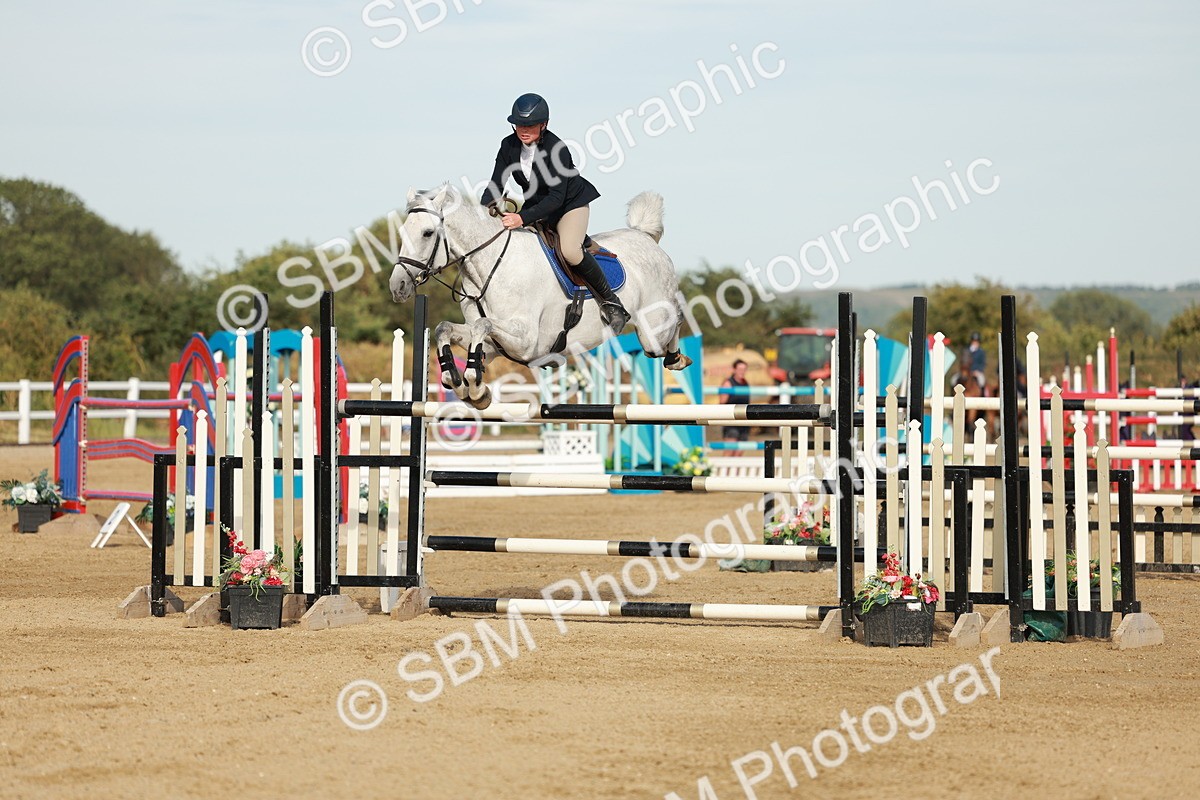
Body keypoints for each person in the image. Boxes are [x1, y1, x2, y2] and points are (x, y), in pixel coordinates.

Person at [479, 93, 630, 334]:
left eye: (529, 125)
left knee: (569, 250)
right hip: (536, 206)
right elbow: (497, 184)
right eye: (519, 124)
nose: (523, 130)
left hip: (569, 205)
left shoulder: (557, 149)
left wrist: (521, 218)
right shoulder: (508, 145)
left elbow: (556, 198)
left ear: (544, 124)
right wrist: (483, 212)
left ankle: (612, 303)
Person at [719, 359, 750, 447]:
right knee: (730, 451)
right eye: (740, 369)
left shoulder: (746, 383)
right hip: (731, 422)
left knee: (740, 452)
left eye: (744, 369)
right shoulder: (728, 383)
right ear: (734, 370)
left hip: (744, 421)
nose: (742, 372)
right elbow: (722, 403)